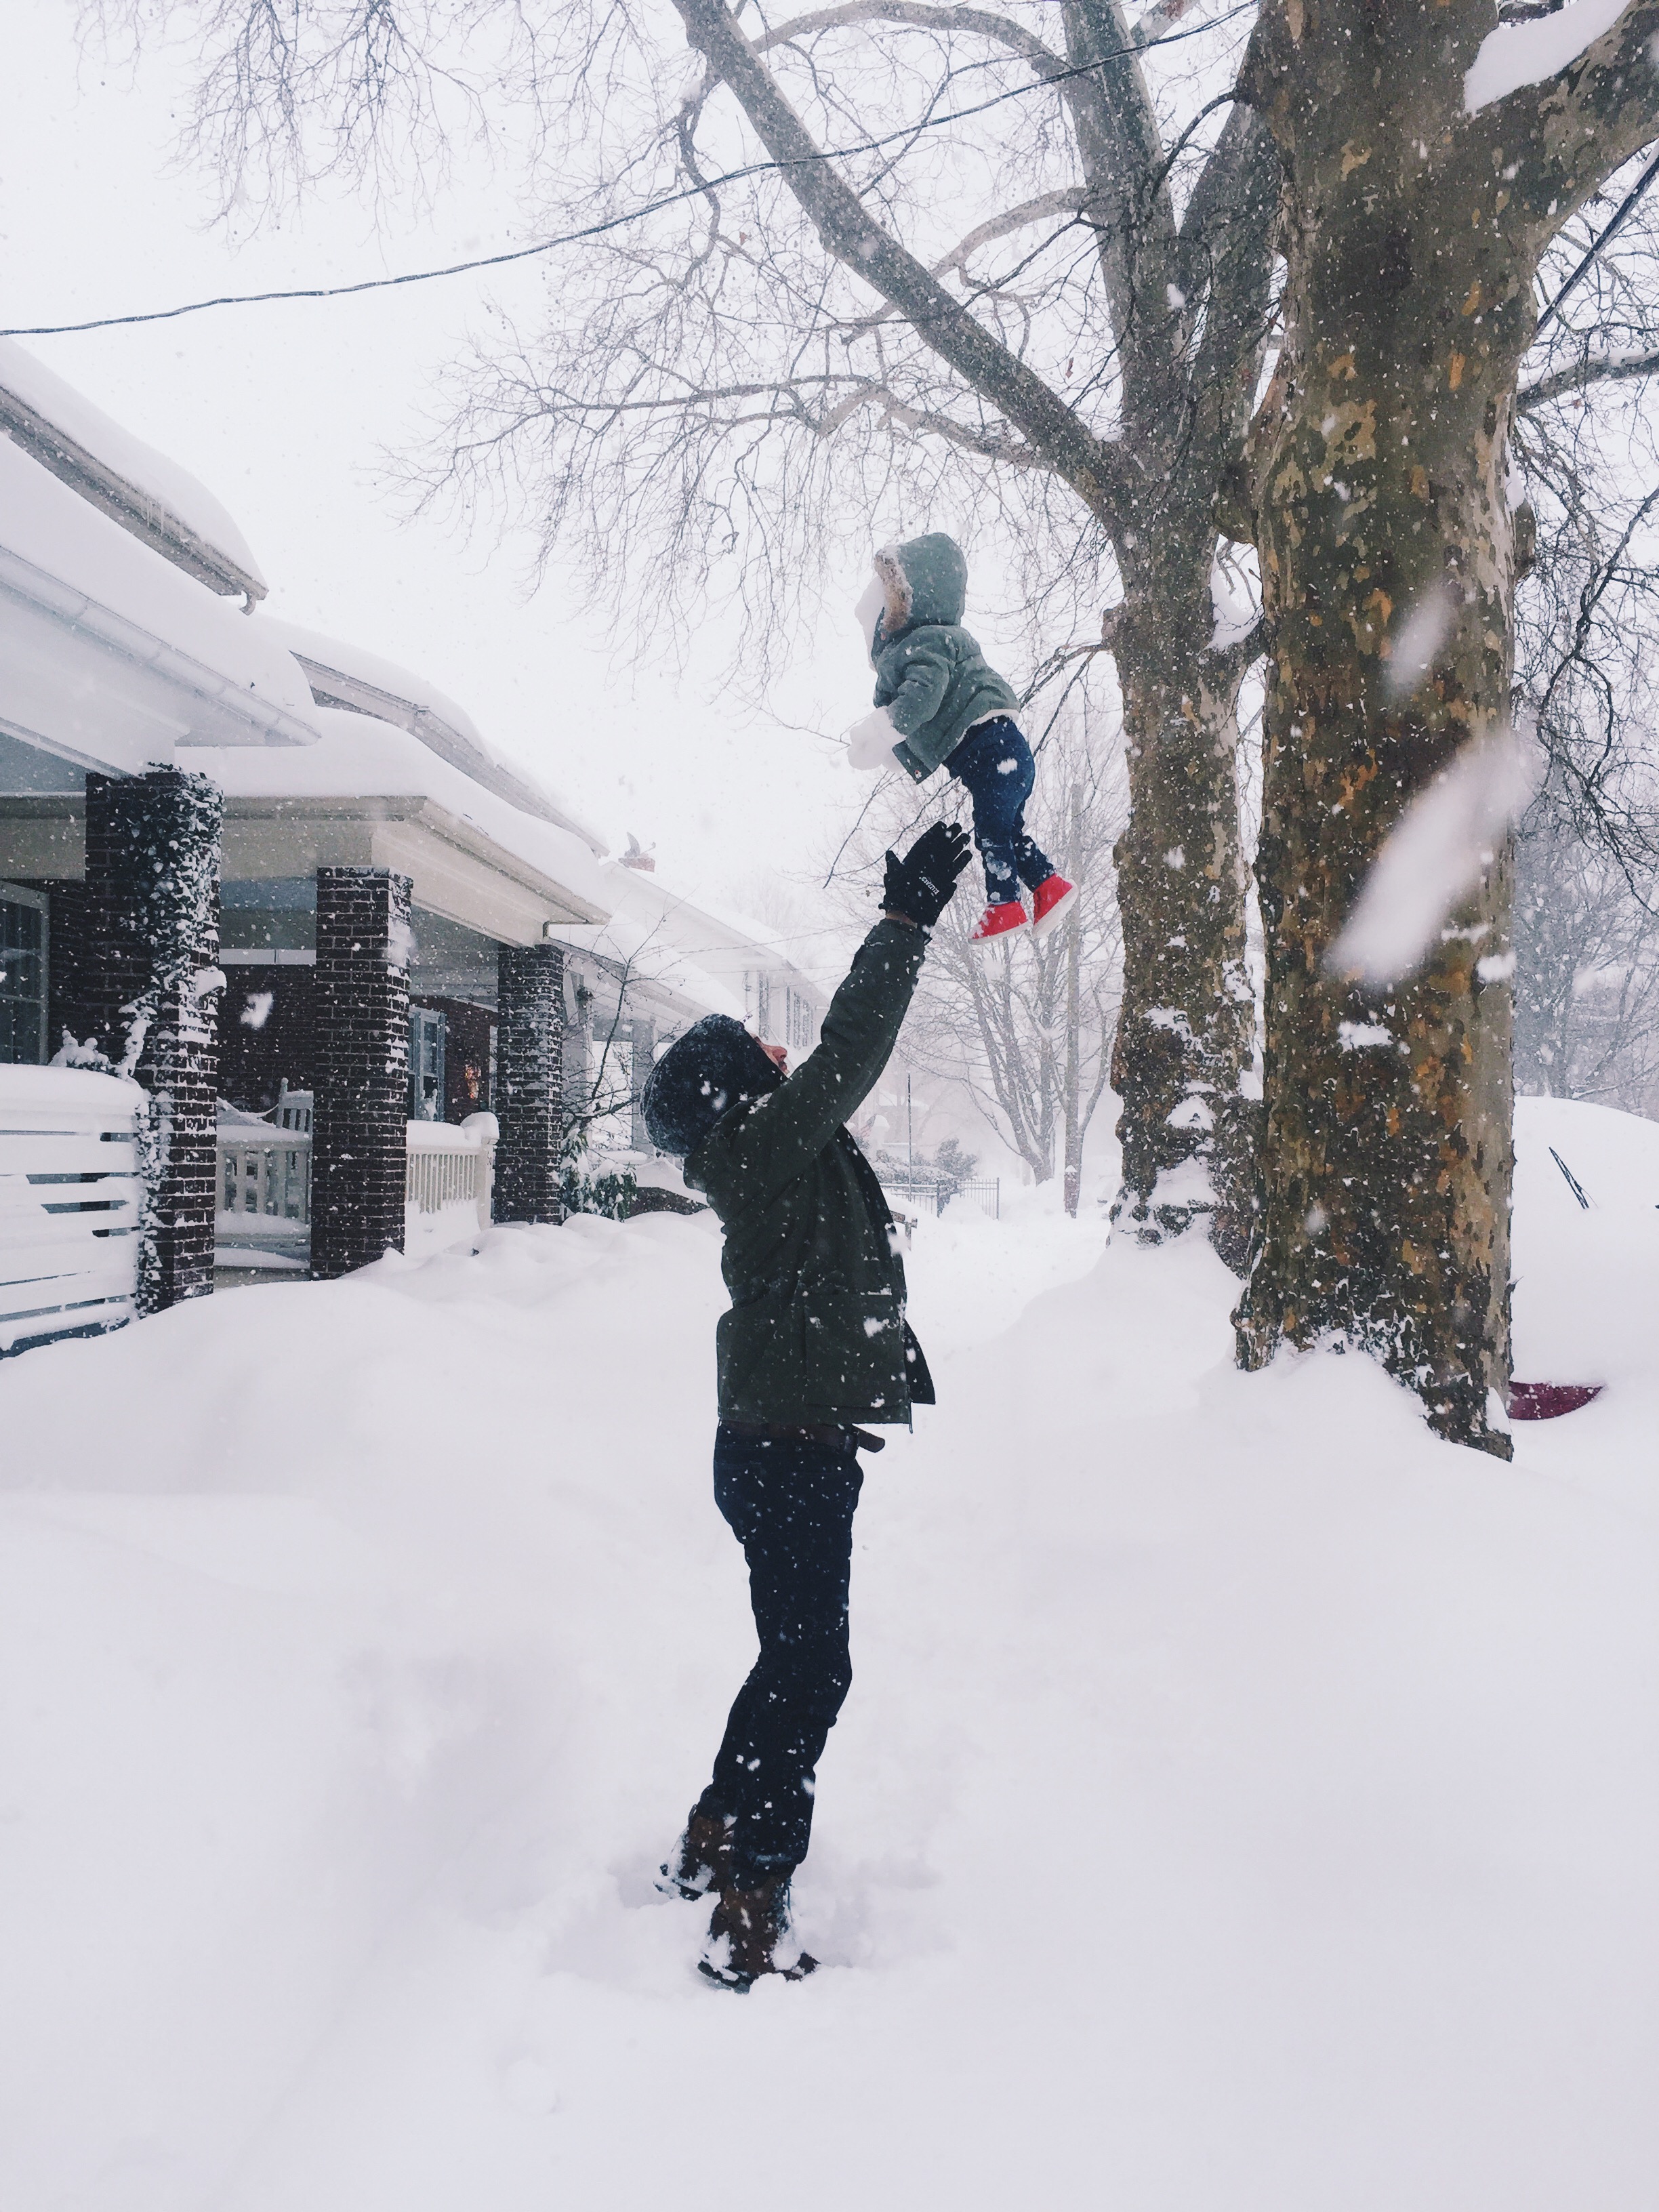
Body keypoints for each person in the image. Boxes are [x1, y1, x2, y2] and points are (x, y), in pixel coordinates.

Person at [640, 820, 974, 1990]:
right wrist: (902, 922)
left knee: (793, 1659)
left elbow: (829, 1077)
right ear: (736, 1088)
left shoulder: (764, 1147)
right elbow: (848, 1049)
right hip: (784, 1453)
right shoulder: (764, 1142)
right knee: (808, 1668)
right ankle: (748, 1897)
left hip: (782, 1446)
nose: (781, 1057)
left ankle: (717, 1832)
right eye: (758, 1051)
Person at [844, 531, 1078, 949]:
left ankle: (1004, 903)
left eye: (880, 606)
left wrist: (884, 731)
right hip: (1003, 752)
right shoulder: (937, 640)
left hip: (992, 752)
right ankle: (1048, 885)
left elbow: (922, 698)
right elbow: (924, 713)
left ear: (901, 605)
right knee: (1007, 830)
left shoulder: (926, 641)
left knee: (991, 827)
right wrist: (894, 748)